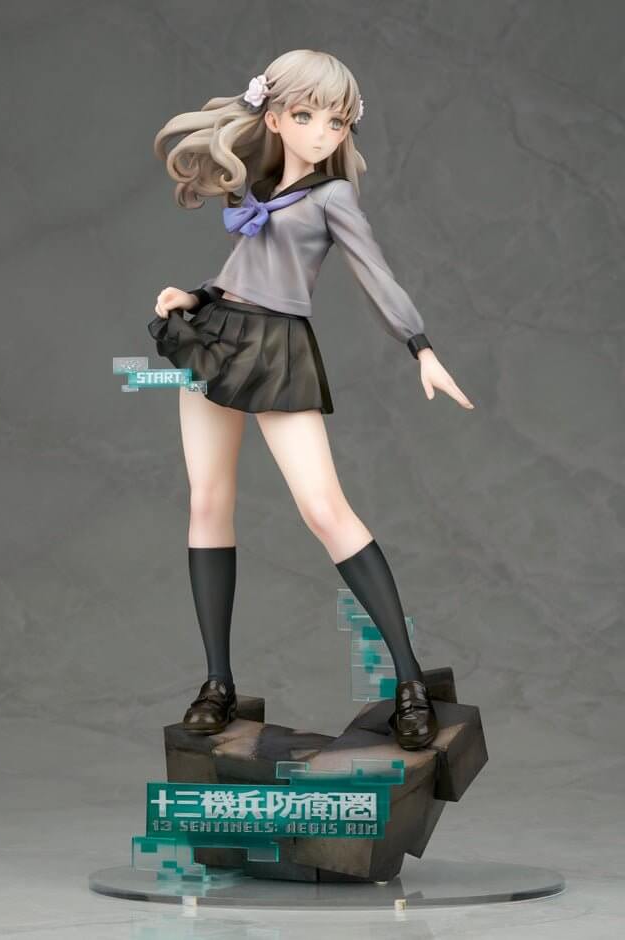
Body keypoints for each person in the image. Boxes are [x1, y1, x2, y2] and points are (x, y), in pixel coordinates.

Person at [148, 49, 474, 750]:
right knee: (208, 502)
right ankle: (217, 683)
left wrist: (420, 346)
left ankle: (409, 681)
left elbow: (376, 276)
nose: (324, 133)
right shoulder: (259, 187)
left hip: (277, 347)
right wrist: (195, 297)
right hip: (216, 334)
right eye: (307, 115)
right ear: (274, 117)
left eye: (337, 121)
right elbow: (243, 270)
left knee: (325, 509)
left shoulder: (334, 198)